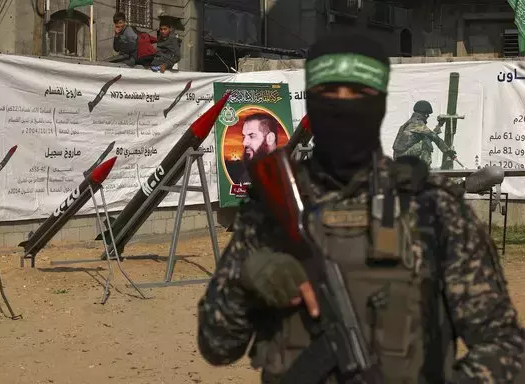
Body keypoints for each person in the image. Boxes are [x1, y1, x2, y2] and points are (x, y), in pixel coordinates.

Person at [196, 31, 525, 383]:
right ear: (311, 101)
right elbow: (216, 346)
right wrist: (246, 281)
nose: (342, 105)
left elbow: (505, 349)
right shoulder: (273, 210)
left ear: (380, 102)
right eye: (328, 93)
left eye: (358, 94)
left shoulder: (433, 207)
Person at [392, 100, 457, 169]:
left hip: (401, 157)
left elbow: (429, 136)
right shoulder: (416, 123)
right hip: (402, 158)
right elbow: (434, 137)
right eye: (428, 114)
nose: (428, 116)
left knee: (426, 139)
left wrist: (439, 125)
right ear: (425, 114)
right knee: (425, 143)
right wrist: (449, 151)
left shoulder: (412, 122)